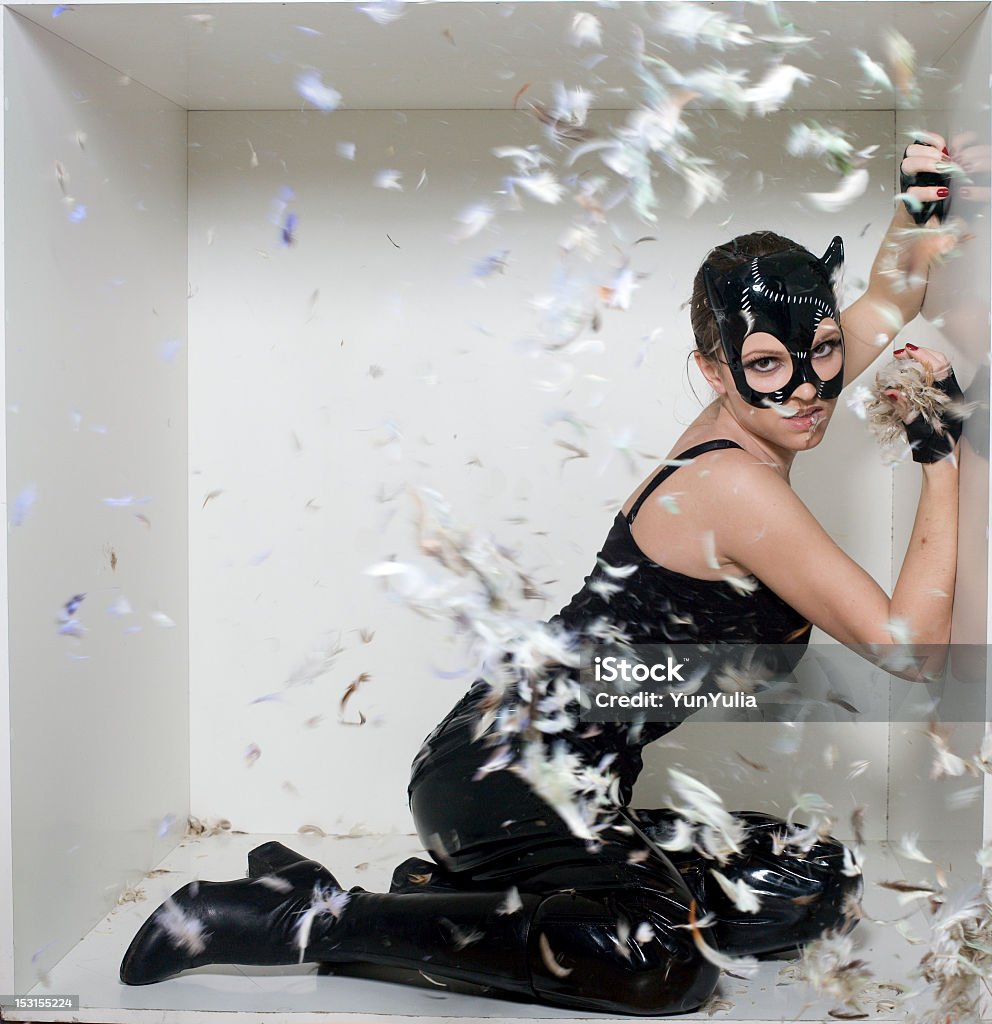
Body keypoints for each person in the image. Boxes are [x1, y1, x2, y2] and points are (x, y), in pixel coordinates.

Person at [120, 136, 964, 1015]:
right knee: (660, 966)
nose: (806, 390)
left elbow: (885, 297)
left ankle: (483, 903)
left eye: (823, 349)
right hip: (500, 779)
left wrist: (918, 200)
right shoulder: (736, 488)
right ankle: (313, 919)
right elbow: (909, 651)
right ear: (716, 371)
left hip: (557, 776)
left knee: (810, 881)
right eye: (764, 364)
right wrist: (940, 455)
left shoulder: (762, 404)